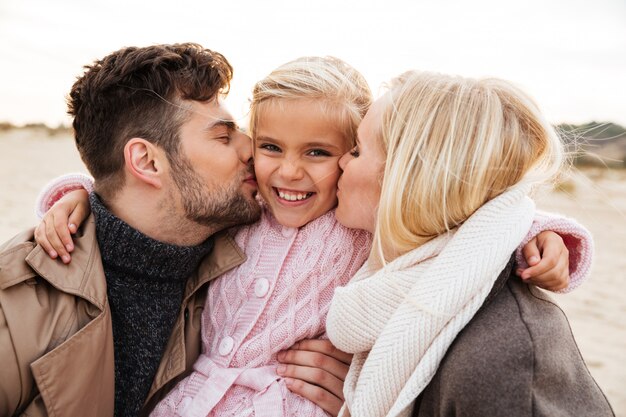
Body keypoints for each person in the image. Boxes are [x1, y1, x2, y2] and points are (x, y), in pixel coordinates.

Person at [35, 58, 590, 416]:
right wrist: (74, 196)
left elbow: (471, 219)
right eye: (271, 147)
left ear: (353, 157)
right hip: (192, 401)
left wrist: (547, 239)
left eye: (321, 154)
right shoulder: (245, 205)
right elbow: (156, 195)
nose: (289, 173)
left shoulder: (355, 227)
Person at [0, 44, 348, 417]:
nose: (252, 150)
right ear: (147, 162)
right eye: (223, 135)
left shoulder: (231, 255)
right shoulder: (17, 305)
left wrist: (354, 389)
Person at [326, 71, 614, 416]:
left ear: (408, 180)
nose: (341, 161)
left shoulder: (501, 362)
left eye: (357, 151)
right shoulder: (400, 280)